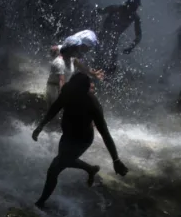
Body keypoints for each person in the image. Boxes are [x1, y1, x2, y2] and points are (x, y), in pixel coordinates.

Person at [31, 72, 129, 209]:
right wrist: (40, 126)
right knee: (62, 160)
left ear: (84, 90)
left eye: (79, 92)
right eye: (74, 90)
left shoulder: (92, 105)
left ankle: (40, 202)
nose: (75, 94)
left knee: (54, 168)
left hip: (82, 140)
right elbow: (55, 108)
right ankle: (90, 169)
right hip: (67, 135)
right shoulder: (67, 90)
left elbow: (105, 134)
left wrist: (116, 160)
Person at [47, 31, 101, 105]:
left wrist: (92, 73)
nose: (89, 50)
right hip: (55, 90)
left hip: (63, 87)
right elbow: (61, 81)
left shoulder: (72, 57)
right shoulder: (60, 59)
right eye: (88, 47)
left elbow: (81, 66)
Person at [94, 0, 142, 76]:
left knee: (112, 65)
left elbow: (139, 35)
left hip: (114, 40)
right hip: (102, 36)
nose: (132, 9)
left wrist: (131, 47)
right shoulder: (115, 8)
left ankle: (105, 82)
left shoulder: (135, 17)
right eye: (132, 6)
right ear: (127, 4)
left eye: (135, 7)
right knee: (98, 57)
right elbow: (100, 11)